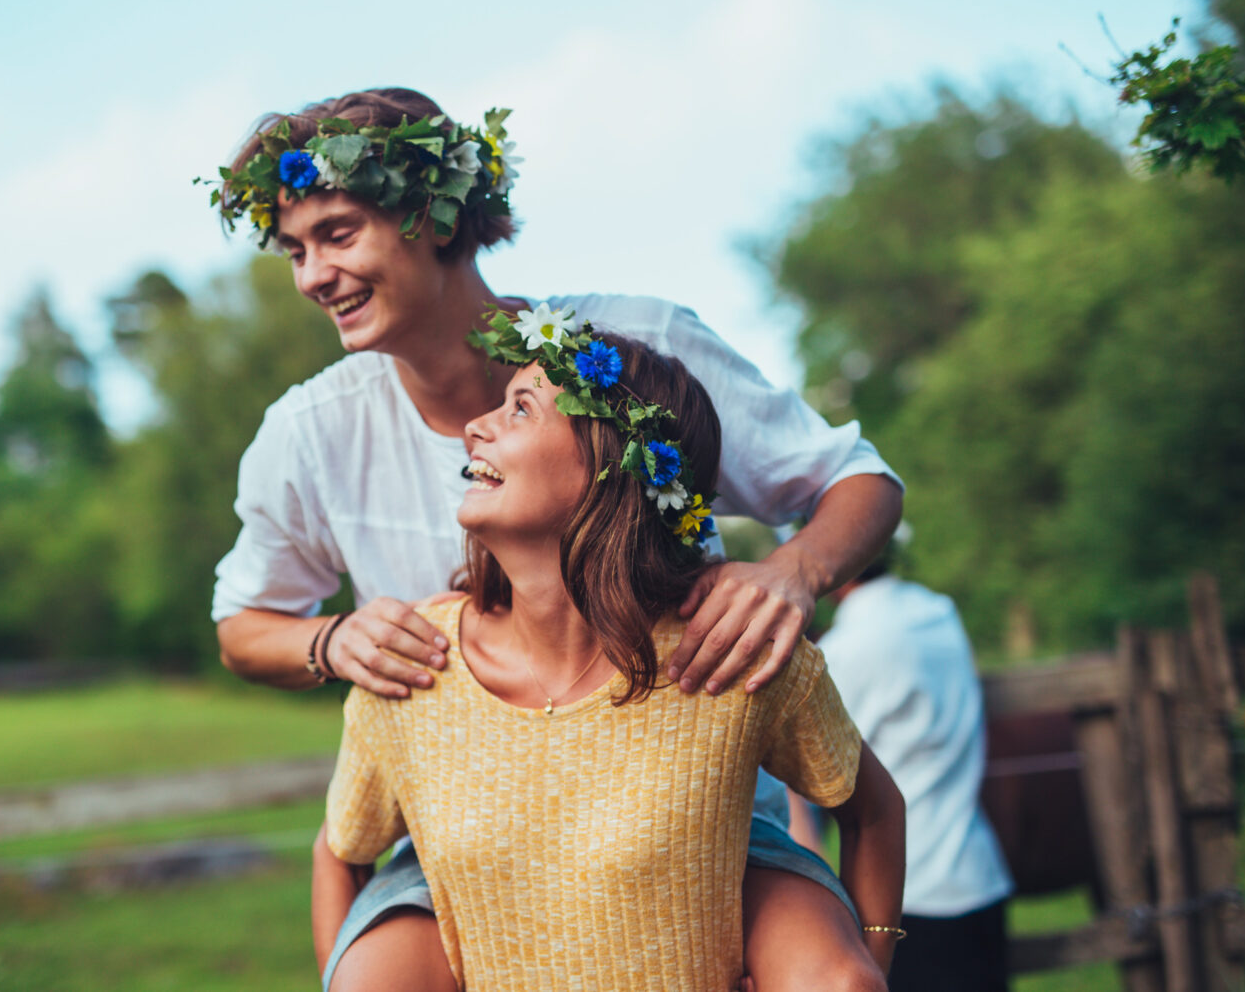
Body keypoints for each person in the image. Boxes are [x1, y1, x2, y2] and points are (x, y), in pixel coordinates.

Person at [207, 88, 906, 987]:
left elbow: (859, 480)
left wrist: (795, 569)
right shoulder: (308, 434)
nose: (309, 276)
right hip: (466, 839)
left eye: (337, 235)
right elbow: (240, 625)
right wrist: (330, 638)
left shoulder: (636, 350)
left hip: (698, 812)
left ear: (433, 214)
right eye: (295, 251)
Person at [314, 327, 906, 990]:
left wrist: (871, 954)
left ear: (608, 465)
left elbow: (874, 811)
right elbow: (341, 854)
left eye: (520, 409)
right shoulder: (411, 661)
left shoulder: (730, 649)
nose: (475, 426)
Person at [787, 549, 1013, 992]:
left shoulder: (846, 651)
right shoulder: (940, 614)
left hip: (903, 894)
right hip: (979, 874)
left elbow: (806, 777)